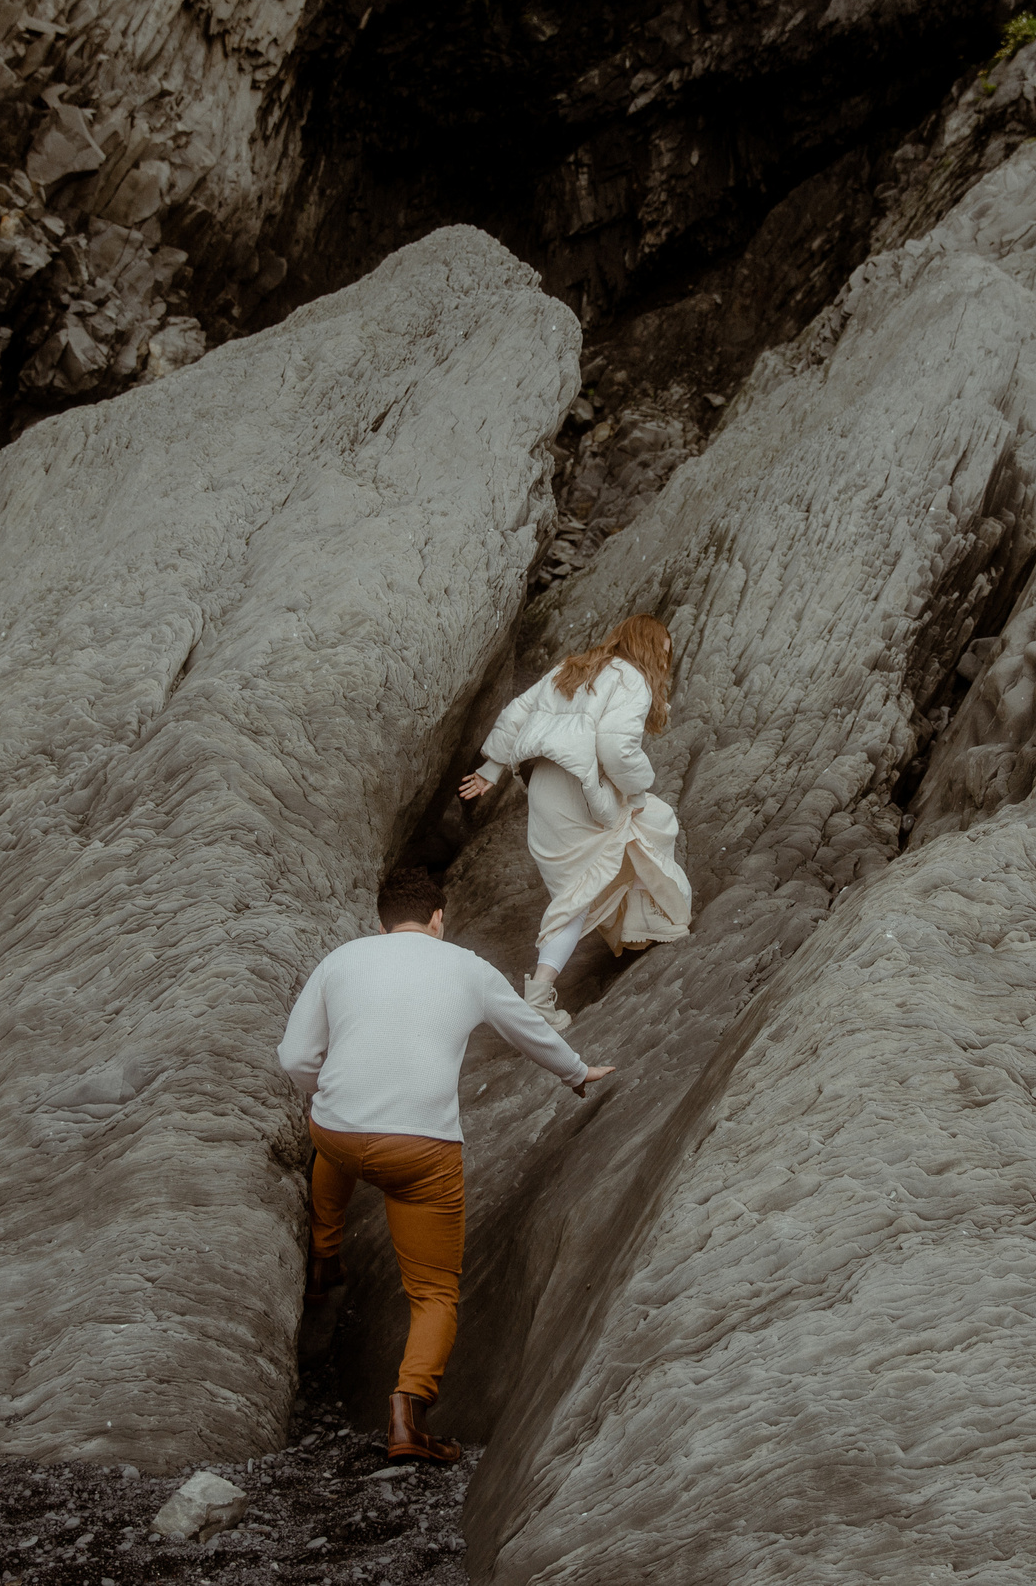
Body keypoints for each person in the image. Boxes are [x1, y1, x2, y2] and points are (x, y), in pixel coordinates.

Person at [278, 865, 615, 1463]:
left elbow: (296, 1055)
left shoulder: (344, 959)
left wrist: (323, 1093)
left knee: (335, 1134)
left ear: (380, 924)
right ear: (438, 919)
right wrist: (575, 1072)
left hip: (338, 1136)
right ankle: (408, 1417)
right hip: (421, 1152)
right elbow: (527, 1029)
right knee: (434, 1292)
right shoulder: (467, 967)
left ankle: (326, 1255)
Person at [456, 612, 694, 1027]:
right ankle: (541, 997)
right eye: (663, 654)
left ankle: (633, 931)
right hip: (582, 788)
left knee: (586, 881)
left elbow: (519, 711)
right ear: (648, 648)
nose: (663, 663)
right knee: (649, 825)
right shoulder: (631, 679)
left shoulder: (573, 667)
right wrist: (637, 788)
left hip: (545, 789)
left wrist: (491, 769)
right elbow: (616, 747)